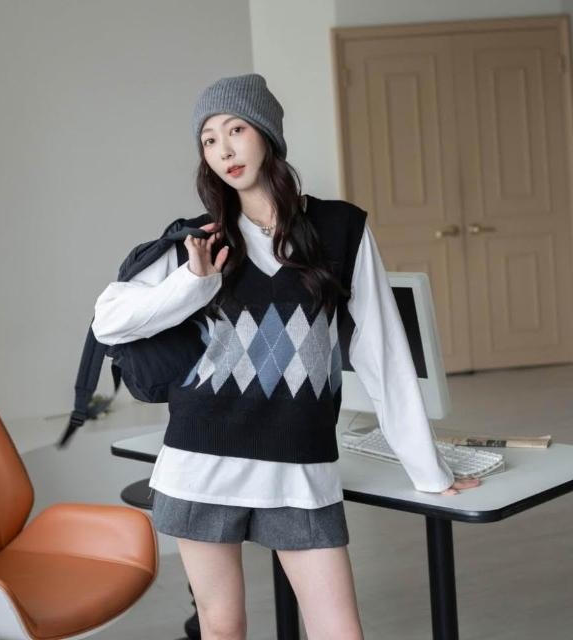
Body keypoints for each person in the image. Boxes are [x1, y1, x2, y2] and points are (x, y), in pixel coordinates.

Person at [92, 73, 480, 640]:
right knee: (223, 629)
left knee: (339, 631)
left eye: (236, 130)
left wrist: (427, 470)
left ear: (267, 133)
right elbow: (107, 319)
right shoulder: (201, 240)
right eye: (209, 140)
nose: (224, 150)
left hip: (300, 464)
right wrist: (193, 285)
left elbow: (383, 351)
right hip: (200, 460)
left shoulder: (341, 228)